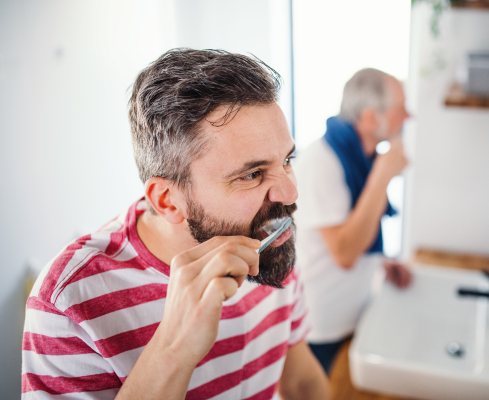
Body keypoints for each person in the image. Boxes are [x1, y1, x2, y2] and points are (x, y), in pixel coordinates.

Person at [22, 49, 330, 400]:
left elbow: (302, 383)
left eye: (288, 159)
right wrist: (174, 350)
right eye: (252, 174)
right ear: (168, 200)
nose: (290, 193)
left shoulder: (268, 240)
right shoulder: (68, 301)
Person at [294, 68, 413, 374]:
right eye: (400, 108)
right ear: (372, 118)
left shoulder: (361, 156)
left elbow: (353, 227)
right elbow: (345, 253)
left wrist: (379, 261)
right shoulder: (323, 163)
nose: (408, 116)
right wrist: (382, 177)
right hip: (322, 325)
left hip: (351, 313)